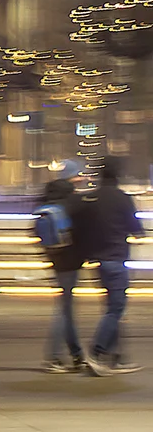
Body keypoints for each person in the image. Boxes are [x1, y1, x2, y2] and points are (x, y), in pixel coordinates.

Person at [74, 156, 144, 376]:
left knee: (112, 310)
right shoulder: (122, 198)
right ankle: (97, 352)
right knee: (116, 309)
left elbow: (82, 227)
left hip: (98, 261)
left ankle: (116, 359)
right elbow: (136, 229)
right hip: (116, 259)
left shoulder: (92, 198)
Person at [39, 160, 86, 373]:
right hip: (70, 259)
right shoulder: (74, 200)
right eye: (78, 175)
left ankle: (76, 355)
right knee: (64, 310)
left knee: (66, 307)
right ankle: (54, 357)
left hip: (54, 257)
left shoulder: (47, 196)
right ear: (72, 178)